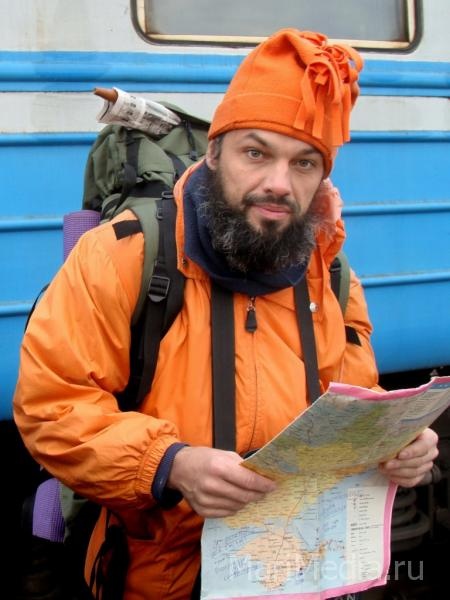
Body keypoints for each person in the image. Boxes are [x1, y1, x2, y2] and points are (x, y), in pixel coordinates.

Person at [13, 29, 438, 600]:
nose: (278, 184)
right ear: (214, 153)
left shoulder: (332, 277)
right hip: (159, 578)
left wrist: (396, 445)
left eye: (304, 163)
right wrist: (169, 465)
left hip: (297, 569)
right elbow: (51, 407)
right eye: (255, 153)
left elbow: (352, 407)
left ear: (322, 177)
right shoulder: (122, 256)